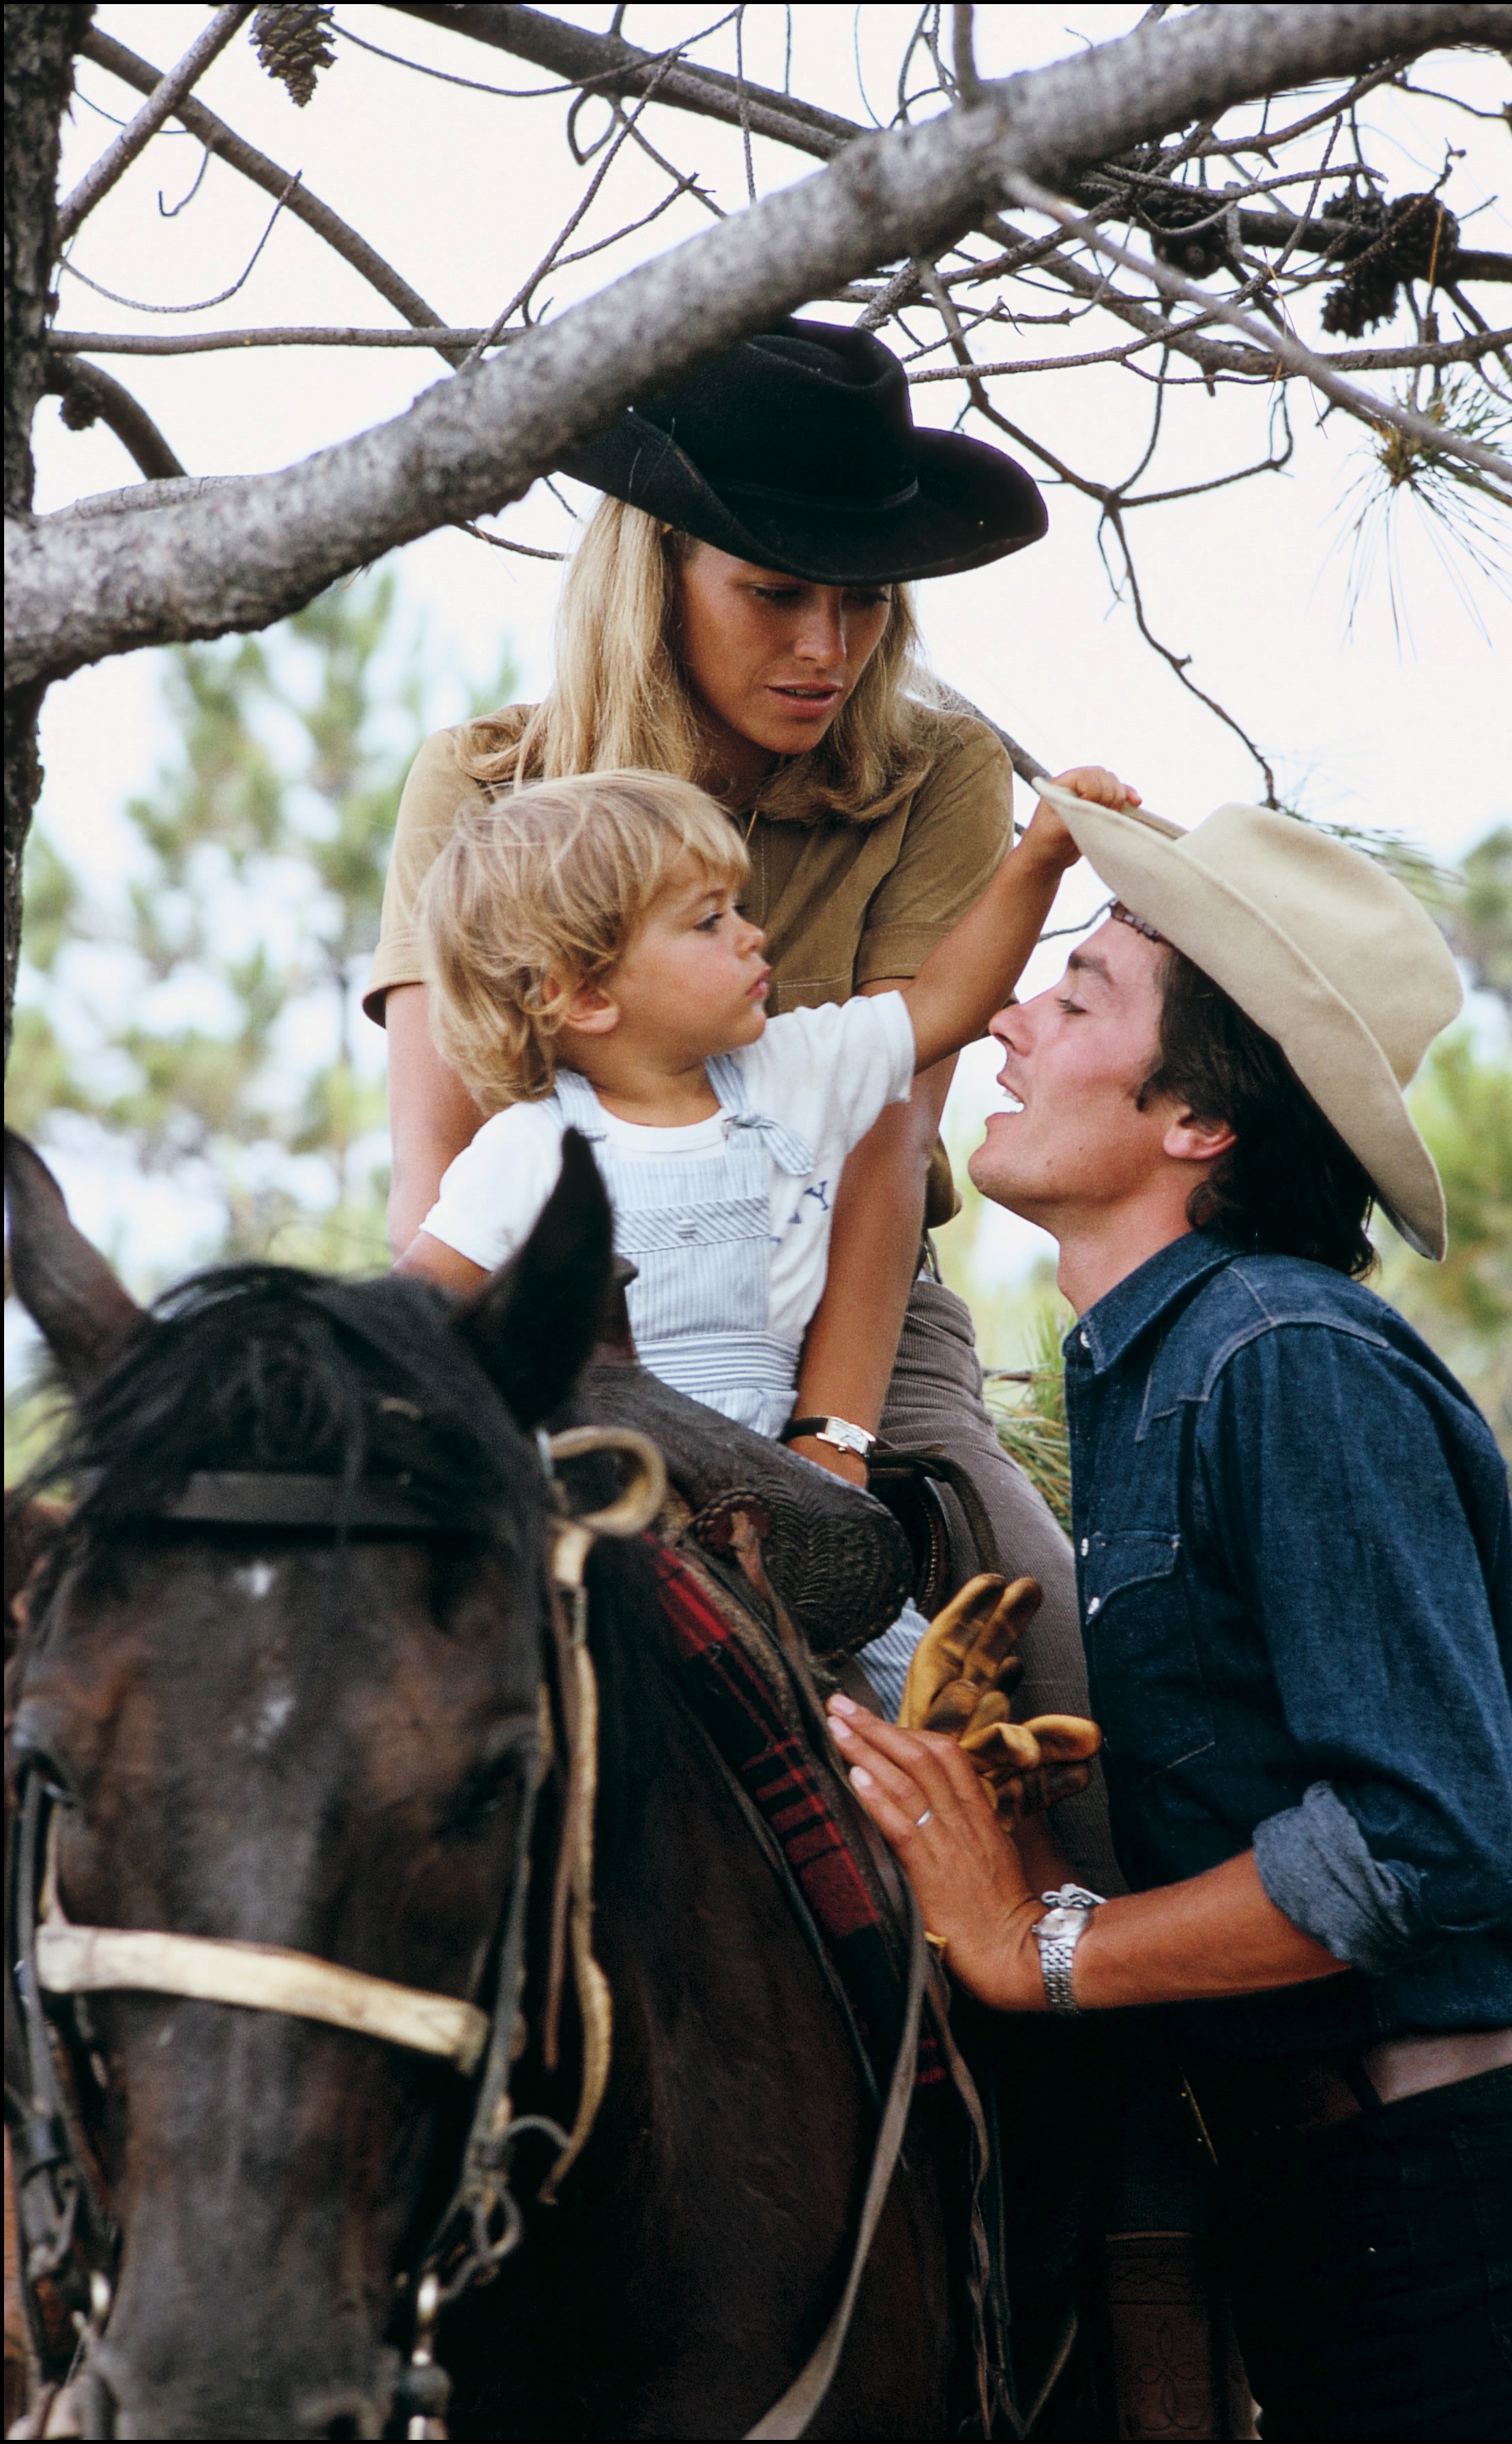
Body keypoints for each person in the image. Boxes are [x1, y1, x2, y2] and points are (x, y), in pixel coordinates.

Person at [827, 788, 1512, 2441]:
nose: (1017, 1018)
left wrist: (1045, 1948)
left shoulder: (1280, 1356)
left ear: (1199, 1120)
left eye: (1085, 991)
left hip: (1457, 2221)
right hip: (1348, 2208)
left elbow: (1419, 1841)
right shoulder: (1166, 1368)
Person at [367, 317, 1120, 1884]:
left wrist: (830, 1447)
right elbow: (438, 1171)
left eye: (861, 600)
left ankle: (1132, 2074)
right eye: (774, 592)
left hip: (850, 1313)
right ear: (657, 575)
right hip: (549, 1305)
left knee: (1051, 1643)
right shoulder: (481, 787)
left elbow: (888, 1139)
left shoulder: (938, 772)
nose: (825, 648)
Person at [395, 761, 1135, 1717]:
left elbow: (946, 1002)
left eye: (734, 907)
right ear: (582, 995)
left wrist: (1039, 857)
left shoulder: (790, 1074)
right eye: (707, 921)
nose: (754, 933)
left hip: (783, 1512)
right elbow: (416, 1317)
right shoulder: (526, 1153)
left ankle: (994, 1841)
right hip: (608, 1524)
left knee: (915, 1710)